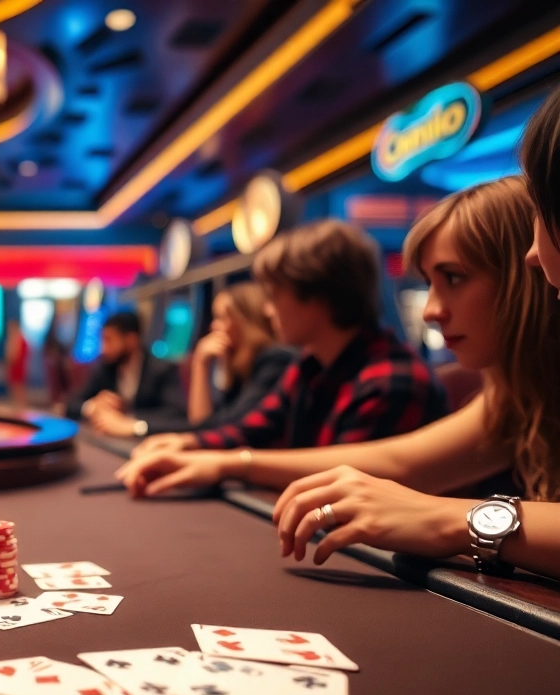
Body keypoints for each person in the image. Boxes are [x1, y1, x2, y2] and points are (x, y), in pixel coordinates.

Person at [118, 176, 560, 581]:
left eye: (455, 278)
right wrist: (226, 461)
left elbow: (402, 479)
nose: (430, 311)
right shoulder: (515, 392)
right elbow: (400, 461)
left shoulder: (393, 376)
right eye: (430, 284)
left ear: (529, 274)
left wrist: (444, 518)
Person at [130, 219, 445, 455]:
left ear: (320, 297)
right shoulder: (310, 365)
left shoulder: (391, 380)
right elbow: (249, 429)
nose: (268, 310)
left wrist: (221, 462)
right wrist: (185, 443)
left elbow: (334, 480)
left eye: (275, 295)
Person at [181, 283, 293, 430]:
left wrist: (200, 364)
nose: (213, 326)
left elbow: (227, 428)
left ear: (245, 321)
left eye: (221, 318)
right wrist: (200, 363)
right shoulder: (243, 367)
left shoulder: (275, 360)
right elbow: (203, 424)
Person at [64, 312, 186, 434]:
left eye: (109, 340)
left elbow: (177, 414)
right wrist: (92, 407)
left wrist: (133, 424)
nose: (103, 348)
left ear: (131, 340)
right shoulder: (105, 367)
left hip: (149, 444)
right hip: (109, 440)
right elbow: (70, 402)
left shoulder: (161, 369)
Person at [5, 318, 29, 409]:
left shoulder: (17, 339)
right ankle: (19, 407)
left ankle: (21, 408)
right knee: (17, 388)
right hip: (18, 367)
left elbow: (14, 356)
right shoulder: (21, 339)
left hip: (17, 367)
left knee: (18, 388)